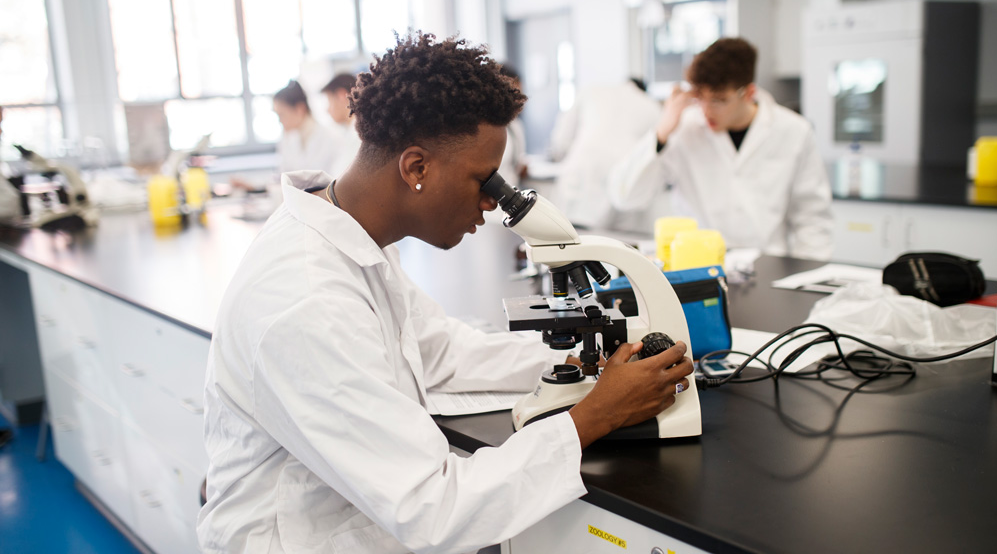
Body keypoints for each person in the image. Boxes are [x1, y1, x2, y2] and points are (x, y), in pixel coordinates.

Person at [197, 32, 694, 553]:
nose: (490, 202)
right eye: (483, 179)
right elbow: (431, 509)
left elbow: (442, 351)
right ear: (417, 168)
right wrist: (596, 415)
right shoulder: (306, 301)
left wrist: (583, 363)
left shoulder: (349, 236)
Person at [609, 38, 834, 259]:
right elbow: (625, 197)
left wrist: (807, 276)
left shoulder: (794, 130)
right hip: (696, 266)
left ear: (748, 93)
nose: (706, 110)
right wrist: (661, 132)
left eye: (718, 100)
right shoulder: (682, 129)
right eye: (700, 98)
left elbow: (812, 217)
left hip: (766, 265)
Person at [549, 78, 664, 232]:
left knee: (572, 241)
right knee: (617, 245)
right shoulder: (651, 106)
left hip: (582, 173)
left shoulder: (592, 91)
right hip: (624, 180)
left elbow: (561, 138)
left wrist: (561, 154)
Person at [273, 80, 345, 175]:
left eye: (282, 115)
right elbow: (282, 176)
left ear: (300, 109)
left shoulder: (331, 136)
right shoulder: (287, 139)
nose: (280, 121)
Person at [321, 72, 362, 175]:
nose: (327, 109)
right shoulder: (349, 132)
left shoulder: (358, 134)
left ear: (341, 96)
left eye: (329, 100)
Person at [496, 64, 528, 186]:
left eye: (520, 93)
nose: (519, 99)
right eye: (514, 93)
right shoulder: (488, 129)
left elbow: (517, 161)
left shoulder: (516, 124)